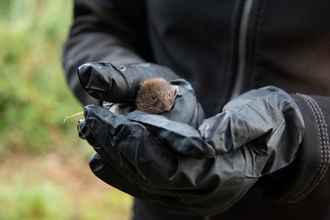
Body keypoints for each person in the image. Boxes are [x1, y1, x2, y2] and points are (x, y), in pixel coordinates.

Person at [62, 0, 330, 219]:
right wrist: (121, 80)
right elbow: (99, 27)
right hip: (158, 201)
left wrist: (306, 130)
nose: (166, 106)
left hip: (299, 204)